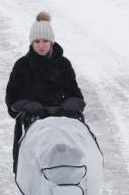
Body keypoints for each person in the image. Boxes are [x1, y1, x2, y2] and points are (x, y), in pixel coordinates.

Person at [5, 11, 85, 172]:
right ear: (31, 42)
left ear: (51, 42)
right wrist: (27, 105)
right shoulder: (22, 65)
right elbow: (12, 97)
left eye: (45, 41)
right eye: (36, 41)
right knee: (35, 167)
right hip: (33, 122)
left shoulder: (63, 64)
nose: (41, 45)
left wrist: (71, 103)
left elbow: (75, 93)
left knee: (64, 165)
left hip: (61, 122)